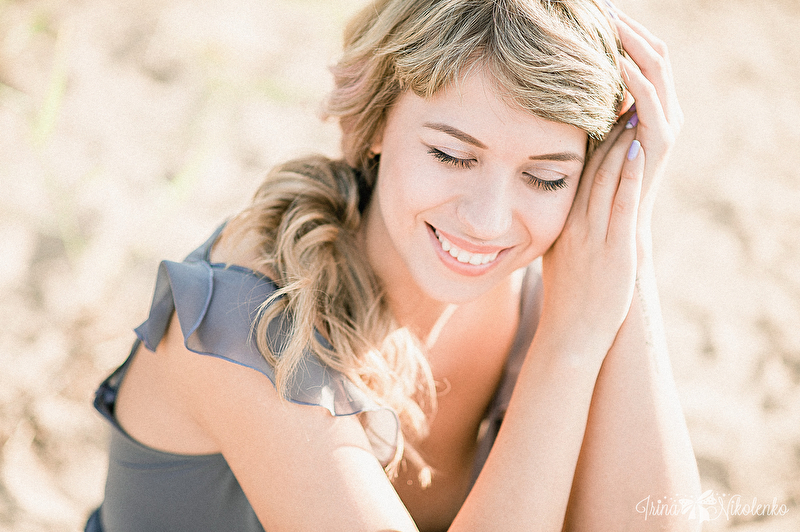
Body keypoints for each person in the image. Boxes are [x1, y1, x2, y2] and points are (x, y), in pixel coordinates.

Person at [86, 0, 702, 530]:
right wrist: (567, 348)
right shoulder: (246, 320)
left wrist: (628, 241)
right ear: (374, 120)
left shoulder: (554, 297)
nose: (488, 222)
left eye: (545, 177)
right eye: (451, 155)